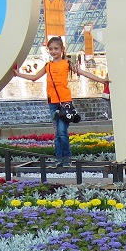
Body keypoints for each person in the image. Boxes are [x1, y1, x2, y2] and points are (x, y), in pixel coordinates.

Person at [13, 36, 109, 168]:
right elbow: (35, 77)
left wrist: (101, 80)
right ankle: (59, 159)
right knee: (57, 133)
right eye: (51, 49)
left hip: (65, 103)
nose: (53, 51)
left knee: (62, 131)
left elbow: (83, 73)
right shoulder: (48, 66)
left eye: (56, 48)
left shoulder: (67, 64)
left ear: (62, 49)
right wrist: (18, 74)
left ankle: (67, 159)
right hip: (52, 103)